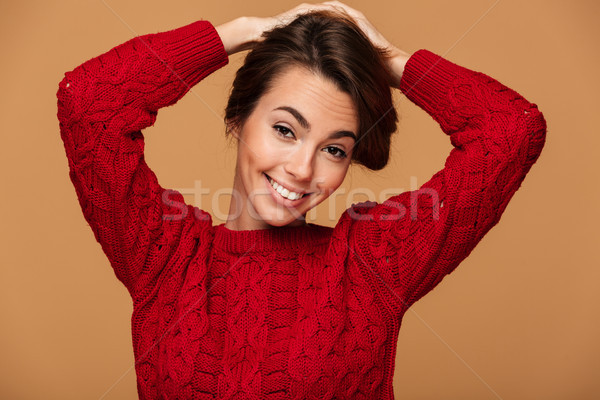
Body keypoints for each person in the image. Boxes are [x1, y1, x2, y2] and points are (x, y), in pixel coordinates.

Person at [56, 1, 546, 398]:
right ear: (237, 120)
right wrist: (247, 31)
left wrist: (385, 58)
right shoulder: (164, 253)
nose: (303, 169)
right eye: (285, 129)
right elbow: (89, 101)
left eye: (334, 148)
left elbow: (511, 129)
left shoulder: (370, 264)